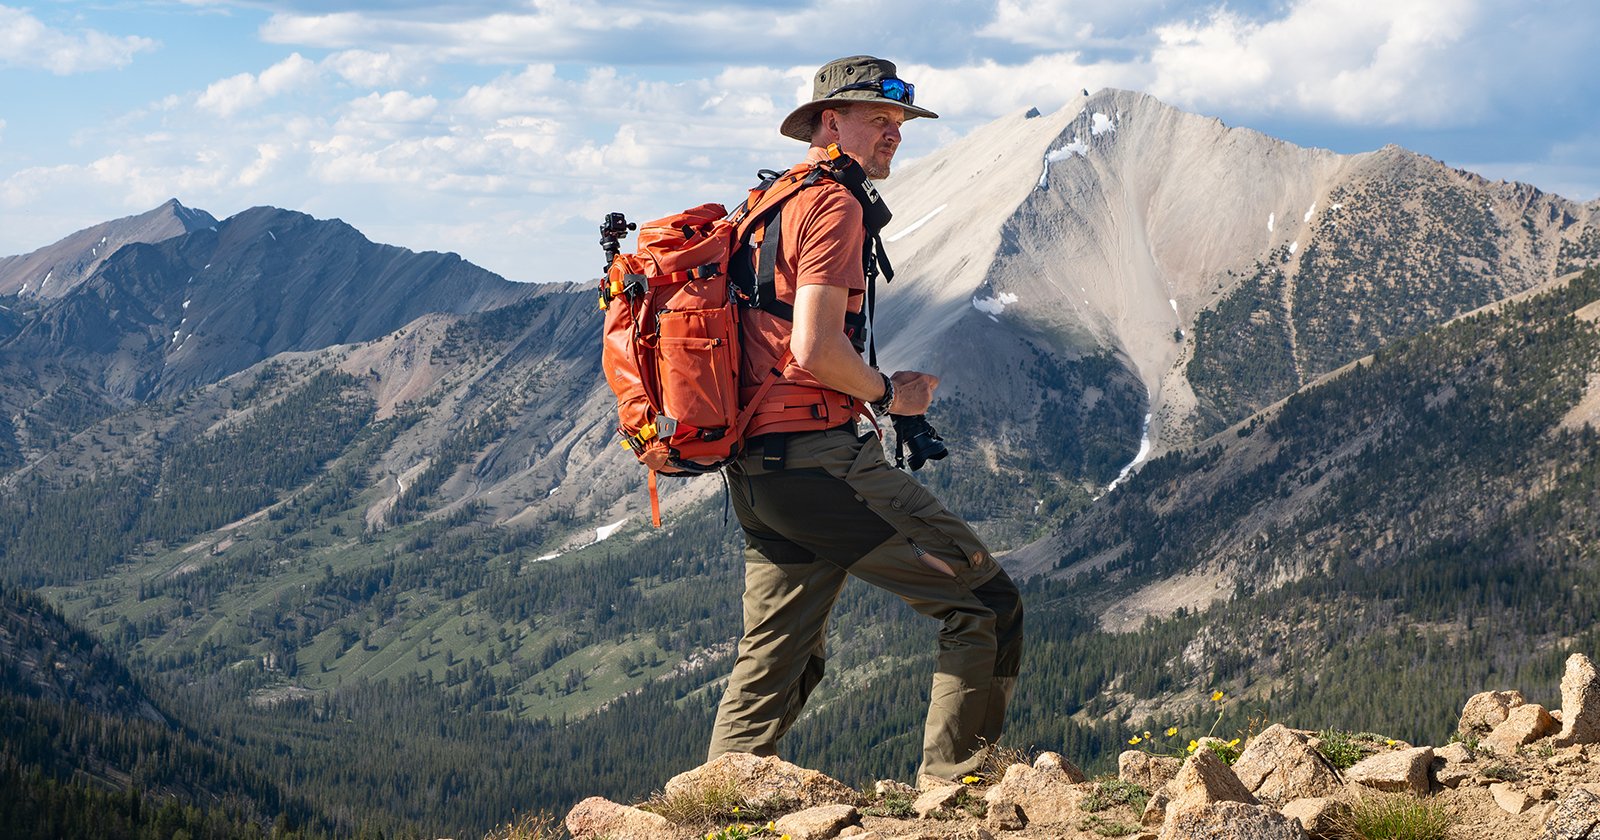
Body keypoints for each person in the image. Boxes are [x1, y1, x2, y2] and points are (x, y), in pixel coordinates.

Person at [707, 55, 1025, 782]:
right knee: (984, 605)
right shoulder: (835, 204)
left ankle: (710, 810)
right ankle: (955, 800)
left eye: (899, 122)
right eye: (879, 120)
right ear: (830, 122)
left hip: (758, 474)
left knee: (774, 660)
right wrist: (889, 395)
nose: (895, 135)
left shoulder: (769, 201)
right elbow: (814, 347)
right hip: (820, 461)